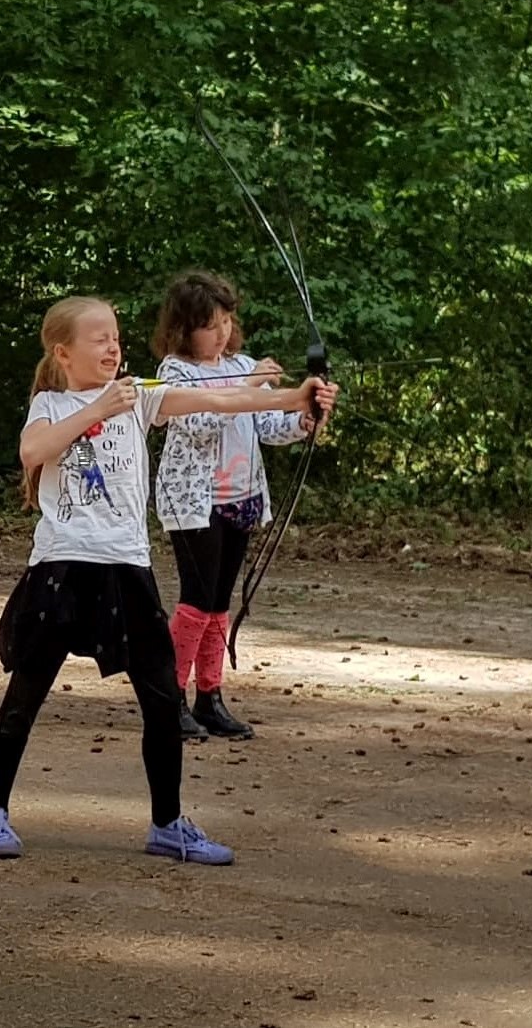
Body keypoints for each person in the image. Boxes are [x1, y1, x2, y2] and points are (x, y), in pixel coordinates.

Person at [0, 295, 336, 866]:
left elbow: (219, 397)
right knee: (26, 695)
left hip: (126, 570)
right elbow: (32, 451)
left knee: (163, 700)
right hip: (62, 567)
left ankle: (167, 824)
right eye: (98, 339)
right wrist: (96, 410)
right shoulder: (51, 403)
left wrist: (296, 396)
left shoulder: (140, 397)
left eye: (115, 337)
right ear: (63, 352)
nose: (112, 347)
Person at [153, 270, 324, 740]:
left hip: (242, 500)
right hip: (194, 503)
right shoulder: (175, 372)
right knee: (196, 600)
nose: (222, 332)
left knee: (219, 603)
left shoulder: (243, 363)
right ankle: (171, 697)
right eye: (210, 324)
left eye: (227, 321)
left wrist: (306, 416)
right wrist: (246, 382)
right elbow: (201, 423)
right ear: (185, 328)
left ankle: (210, 696)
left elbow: (269, 427)